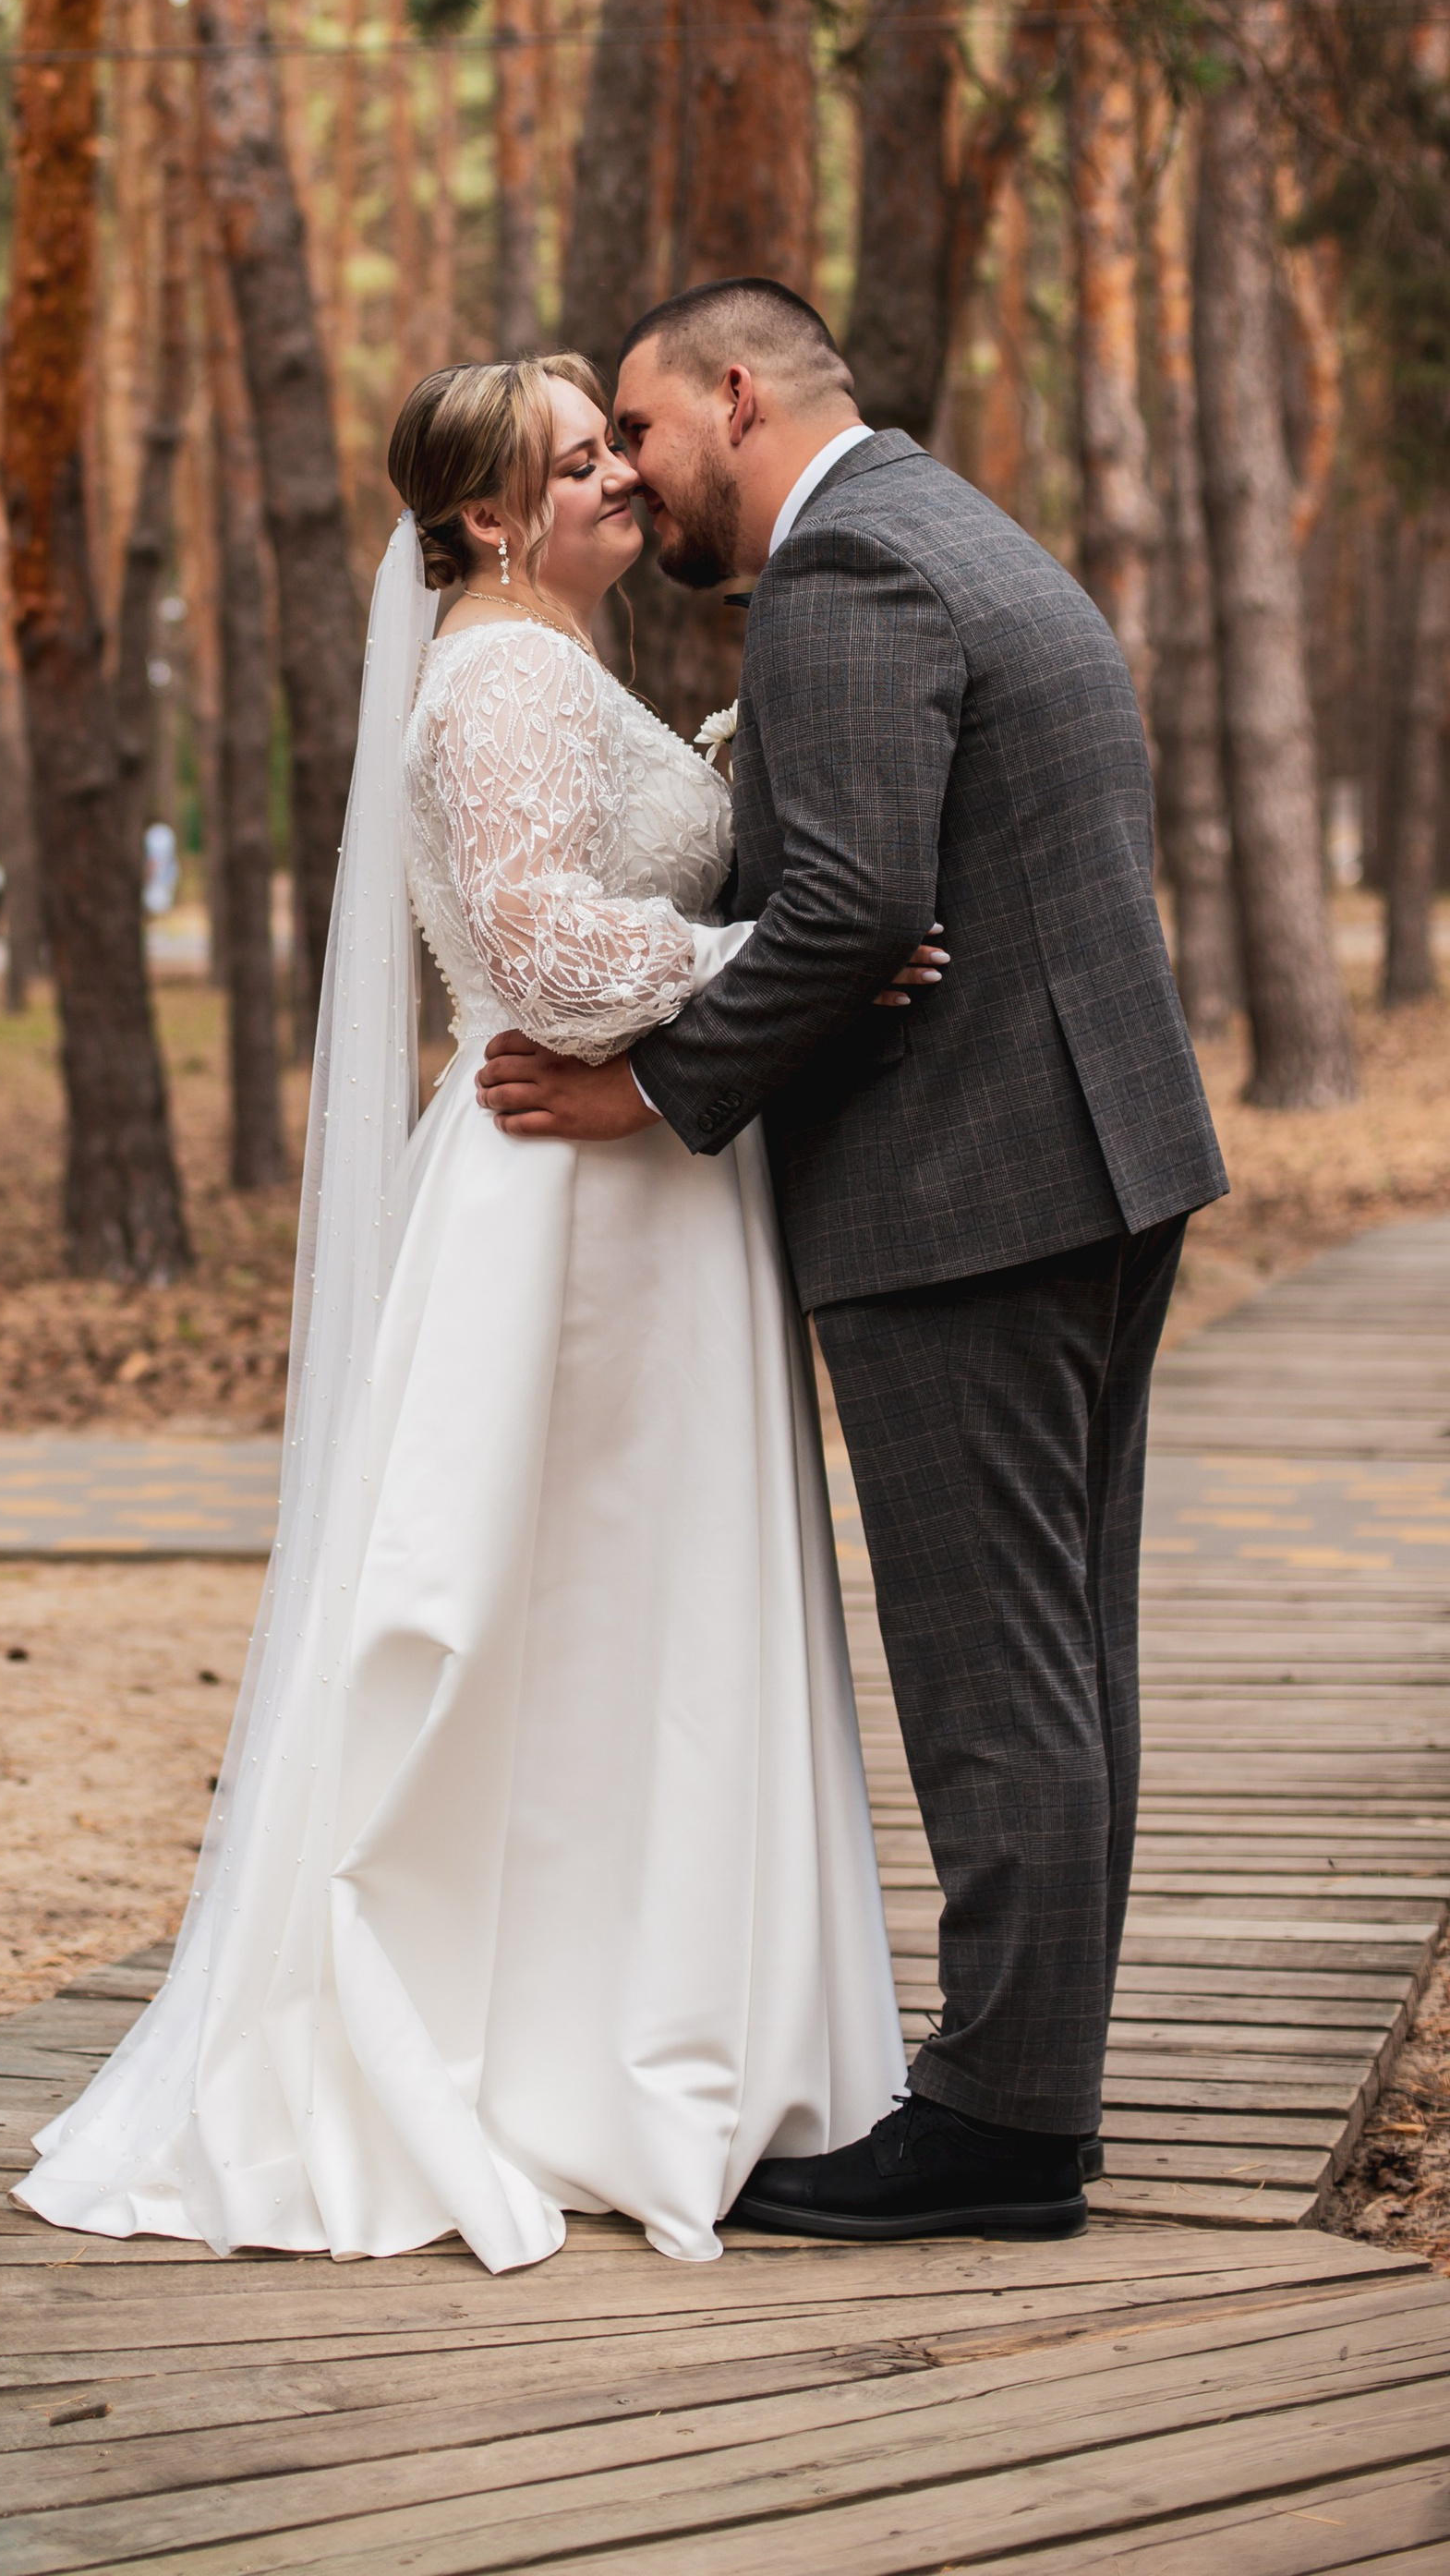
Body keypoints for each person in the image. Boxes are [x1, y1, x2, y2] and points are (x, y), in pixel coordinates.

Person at [16, 354, 934, 2272]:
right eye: (574, 461)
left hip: (637, 1200)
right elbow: (538, 953)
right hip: (571, 1214)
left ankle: (611, 2025)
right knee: (571, 1612)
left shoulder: (544, 661)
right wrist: (791, 962)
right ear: (491, 517)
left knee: (613, 1619)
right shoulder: (504, 670)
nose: (618, 477)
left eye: (616, 446)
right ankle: (550, 2049)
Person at [477, 280, 1227, 2242]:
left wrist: (649, 1093)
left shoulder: (844, 575)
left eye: (636, 431)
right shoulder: (950, 520)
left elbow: (851, 902)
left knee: (994, 1668)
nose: (629, 475)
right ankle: (1027, 2084)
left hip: (965, 1181)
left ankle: (995, 2124)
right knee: (1060, 1648)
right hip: (1087, 1150)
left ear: (732, 397)